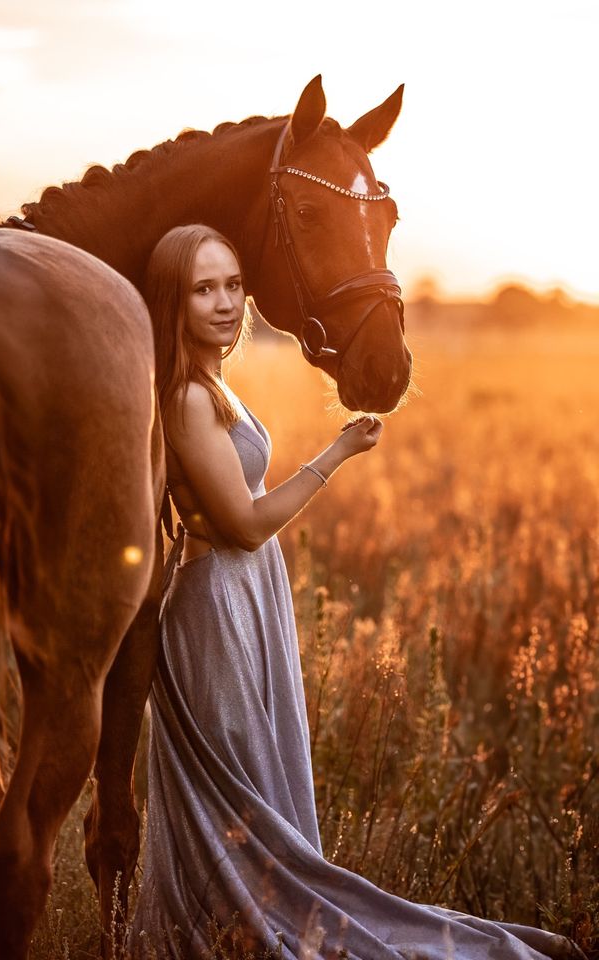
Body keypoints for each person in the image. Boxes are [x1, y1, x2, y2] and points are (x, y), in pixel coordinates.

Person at [129, 224, 581, 960]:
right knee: (240, 798)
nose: (223, 303)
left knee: (262, 787)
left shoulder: (215, 386)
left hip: (247, 597)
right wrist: (334, 454)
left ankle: (269, 916)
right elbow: (242, 524)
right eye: (202, 288)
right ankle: (246, 928)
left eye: (233, 285)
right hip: (214, 606)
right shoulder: (185, 397)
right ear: (173, 301)